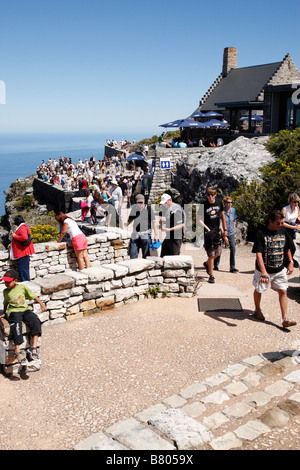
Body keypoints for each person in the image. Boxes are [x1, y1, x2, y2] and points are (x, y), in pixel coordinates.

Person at [252, 209, 296, 328]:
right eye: (278, 223)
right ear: (270, 221)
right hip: (265, 270)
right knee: (259, 290)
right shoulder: (261, 233)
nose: (280, 225)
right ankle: (257, 310)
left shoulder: (282, 231)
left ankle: (285, 318)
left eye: (282, 222)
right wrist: (263, 272)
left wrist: (291, 262)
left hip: (279, 269)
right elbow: (259, 254)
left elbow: (287, 248)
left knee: (283, 291)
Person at [0, 268, 47, 366]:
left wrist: (42, 305)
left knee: (35, 321)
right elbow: (5, 303)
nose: (6, 284)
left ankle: (33, 347)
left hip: (24, 309)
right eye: (5, 282)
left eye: (8, 282)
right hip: (13, 311)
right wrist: (4, 313)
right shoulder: (6, 291)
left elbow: (33, 296)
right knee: (16, 326)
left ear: (15, 281)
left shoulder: (22, 288)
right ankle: (17, 351)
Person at [198, 187, 228, 284]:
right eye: (208, 195)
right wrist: (207, 229)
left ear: (215, 195)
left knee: (218, 253)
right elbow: (199, 219)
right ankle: (211, 275)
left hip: (217, 230)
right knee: (211, 254)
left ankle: (207, 264)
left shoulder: (219, 203)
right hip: (208, 232)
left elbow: (222, 216)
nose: (210, 197)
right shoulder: (203, 204)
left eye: (212, 195)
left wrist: (224, 229)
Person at [127, 194, 159, 259]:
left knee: (146, 256)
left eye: (141, 202)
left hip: (146, 234)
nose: (140, 204)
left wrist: (156, 234)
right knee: (132, 256)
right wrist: (126, 224)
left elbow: (154, 222)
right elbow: (130, 219)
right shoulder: (134, 209)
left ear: (144, 201)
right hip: (135, 234)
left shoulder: (149, 209)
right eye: (139, 203)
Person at [214, 196, 239, 273]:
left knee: (233, 248)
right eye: (228, 202)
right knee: (219, 249)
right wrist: (224, 235)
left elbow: (233, 220)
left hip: (231, 232)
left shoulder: (233, 210)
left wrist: (234, 230)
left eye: (231, 202)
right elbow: (220, 223)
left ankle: (232, 267)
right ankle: (216, 265)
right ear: (224, 203)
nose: (230, 204)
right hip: (222, 232)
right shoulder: (222, 211)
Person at [10, 215, 35, 281]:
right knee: (24, 269)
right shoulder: (24, 226)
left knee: (23, 269)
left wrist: (15, 236)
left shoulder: (22, 227)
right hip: (23, 252)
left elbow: (24, 238)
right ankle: (26, 282)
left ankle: (26, 283)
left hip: (22, 252)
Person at [282, 192, 300, 266]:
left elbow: (298, 219)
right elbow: (282, 223)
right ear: (290, 201)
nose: (296, 203)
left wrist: (297, 225)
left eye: (297, 202)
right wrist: (293, 227)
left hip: (293, 229)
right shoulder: (285, 209)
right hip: (285, 229)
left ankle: (288, 262)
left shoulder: (297, 209)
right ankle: (287, 262)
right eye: (294, 202)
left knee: (290, 247)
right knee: (290, 247)